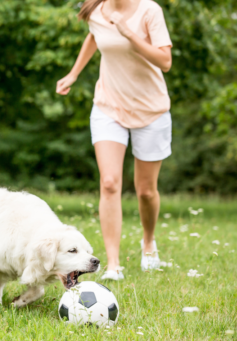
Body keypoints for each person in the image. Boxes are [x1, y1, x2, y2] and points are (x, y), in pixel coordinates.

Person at [56, 0, 173, 280]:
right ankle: (113, 265)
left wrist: (129, 33)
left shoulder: (149, 11)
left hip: (151, 109)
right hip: (109, 107)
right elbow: (94, 36)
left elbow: (165, 62)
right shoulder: (97, 10)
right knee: (109, 183)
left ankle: (148, 245)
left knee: (146, 190)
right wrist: (74, 73)